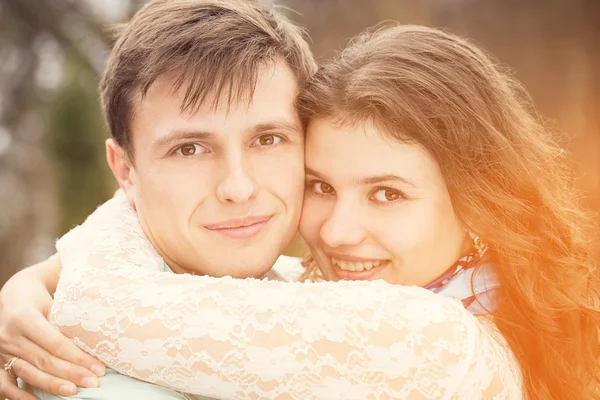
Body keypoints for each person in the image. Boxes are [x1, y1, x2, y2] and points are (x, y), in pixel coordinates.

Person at [2, 19, 599, 400]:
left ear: (477, 202)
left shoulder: (438, 340)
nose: (337, 230)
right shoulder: (296, 291)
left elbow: (100, 307)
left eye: (388, 194)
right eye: (320, 186)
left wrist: (33, 284)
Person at [0, 0, 316, 398]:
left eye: (268, 139)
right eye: (189, 149)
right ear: (126, 172)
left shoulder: (307, 283)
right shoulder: (90, 369)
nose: (238, 188)